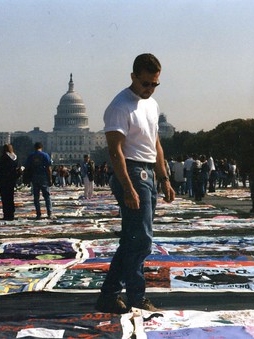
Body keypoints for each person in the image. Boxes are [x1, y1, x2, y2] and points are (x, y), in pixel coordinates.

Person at [96, 53, 175, 313]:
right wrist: (128, 187)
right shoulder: (120, 106)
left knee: (134, 240)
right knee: (141, 239)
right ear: (133, 77)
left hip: (148, 172)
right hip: (131, 172)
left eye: (154, 84)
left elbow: (155, 144)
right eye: (145, 84)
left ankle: (110, 294)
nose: (150, 89)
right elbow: (115, 151)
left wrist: (164, 178)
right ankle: (135, 296)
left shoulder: (151, 104)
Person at [25, 142, 54, 219]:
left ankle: (38, 213)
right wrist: (50, 179)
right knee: (47, 196)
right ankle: (49, 213)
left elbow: (27, 168)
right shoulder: (45, 155)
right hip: (43, 177)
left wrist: (27, 179)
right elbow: (49, 168)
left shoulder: (31, 155)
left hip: (34, 177)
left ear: (34, 147)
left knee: (36, 197)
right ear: (41, 147)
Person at [0, 144, 19, 220]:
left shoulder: (3, 158)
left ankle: (6, 214)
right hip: (12, 180)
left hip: (3, 180)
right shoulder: (15, 158)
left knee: (5, 198)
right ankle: (11, 213)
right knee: (10, 197)